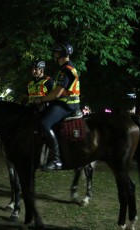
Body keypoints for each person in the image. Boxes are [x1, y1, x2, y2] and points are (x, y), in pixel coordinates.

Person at [34, 42, 80, 171]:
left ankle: (56, 159)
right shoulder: (65, 69)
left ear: (59, 54)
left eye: (55, 52)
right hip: (63, 102)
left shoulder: (66, 70)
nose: (54, 55)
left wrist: (41, 99)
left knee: (45, 123)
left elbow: (57, 93)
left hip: (67, 104)